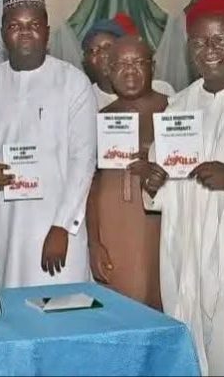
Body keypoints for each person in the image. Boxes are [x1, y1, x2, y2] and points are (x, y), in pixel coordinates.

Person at [141, 0, 224, 375]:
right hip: (187, 259)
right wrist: (154, 183)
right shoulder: (178, 107)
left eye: (220, 39)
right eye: (198, 42)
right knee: (192, 356)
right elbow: (163, 191)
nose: (209, 50)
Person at [0, 0, 96, 288]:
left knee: (59, 314)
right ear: (3, 32)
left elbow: (83, 158)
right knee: (9, 316)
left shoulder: (73, 83)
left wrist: (62, 226)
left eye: (34, 24)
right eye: (15, 25)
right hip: (5, 224)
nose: (25, 32)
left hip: (56, 229)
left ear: (47, 31)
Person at [86, 36, 166, 309]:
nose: (129, 70)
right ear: (107, 70)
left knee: (156, 309)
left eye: (137, 62)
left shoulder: (174, 111)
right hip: (112, 233)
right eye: (120, 64)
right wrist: (94, 242)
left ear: (153, 67)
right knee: (116, 313)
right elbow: (90, 186)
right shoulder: (99, 117)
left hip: (157, 233)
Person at [81, 15, 175, 109]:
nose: (102, 54)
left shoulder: (162, 89)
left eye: (107, 47)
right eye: (94, 50)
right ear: (86, 61)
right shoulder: (84, 98)